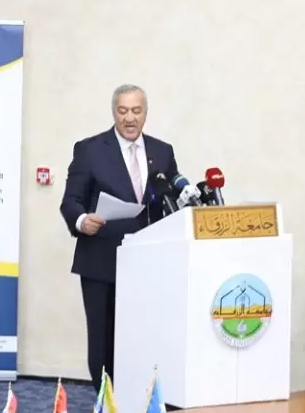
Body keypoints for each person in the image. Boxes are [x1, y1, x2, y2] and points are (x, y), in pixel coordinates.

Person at [59, 84, 179, 392]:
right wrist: (82, 221)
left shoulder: (163, 152)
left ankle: (140, 398)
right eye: (123, 111)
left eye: (136, 111)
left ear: (145, 113)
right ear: (114, 112)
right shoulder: (89, 150)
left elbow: (171, 202)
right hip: (101, 261)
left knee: (143, 335)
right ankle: (107, 401)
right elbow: (71, 201)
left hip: (148, 264)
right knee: (103, 339)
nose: (129, 118)